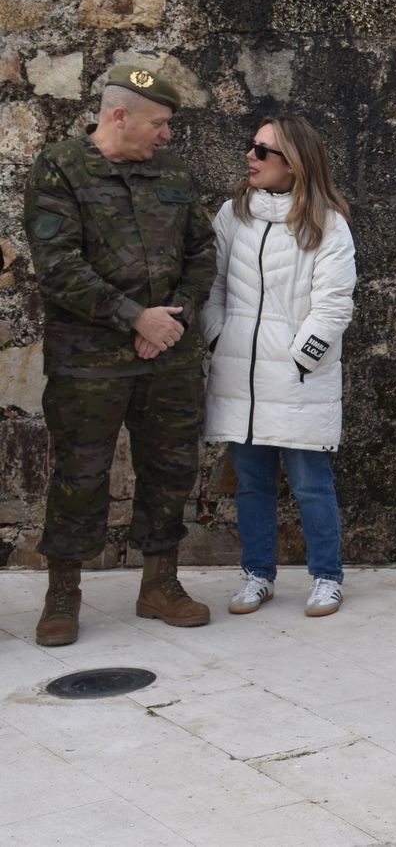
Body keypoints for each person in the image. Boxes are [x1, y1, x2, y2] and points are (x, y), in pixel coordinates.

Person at [25, 64, 216, 647]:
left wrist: (171, 319)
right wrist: (135, 317)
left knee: (171, 467)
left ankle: (160, 584)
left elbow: (202, 251)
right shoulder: (60, 167)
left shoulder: (174, 172)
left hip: (168, 353)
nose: (167, 135)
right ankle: (63, 593)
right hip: (89, 359)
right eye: (158, 123)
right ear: (118, 116)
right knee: (80, 472)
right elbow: (58, 265)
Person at [204, 116, 357, 619]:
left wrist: (299, 360)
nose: (250, 156)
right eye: (251, 146)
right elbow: (213, 286)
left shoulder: (327, 223)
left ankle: (327, 577)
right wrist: (218, 337)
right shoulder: (232, 215)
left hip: (296, 377)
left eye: (262, 151)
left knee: (312, 482)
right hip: (239, 374)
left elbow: (333, 305)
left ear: (293, 163)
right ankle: (257, 573)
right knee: (250, 482)